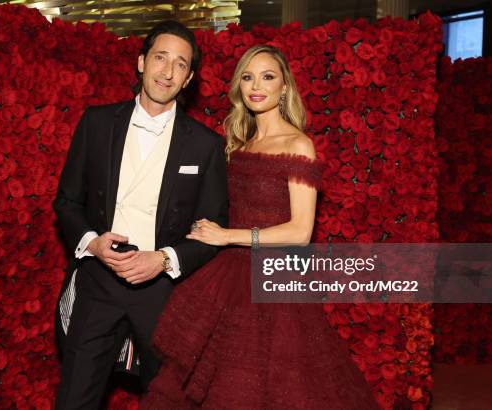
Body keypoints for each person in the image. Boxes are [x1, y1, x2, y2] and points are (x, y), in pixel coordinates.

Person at [140, 45, 379, 409]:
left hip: (273, 283)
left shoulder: (299, 144)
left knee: (265, 388)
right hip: (226, 281)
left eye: (268, 77)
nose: (257, 85)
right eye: (248, 77)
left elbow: (300, 232)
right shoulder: (238, 144)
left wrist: (227, 236)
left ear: (284, 87)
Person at [52, 20, 229, 409]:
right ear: (141, 62)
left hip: (164, 293)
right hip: (98, 283)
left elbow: (211, 230)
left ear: (189, 79)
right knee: (74, 399)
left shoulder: (206, 146)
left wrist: (164, 259)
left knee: (166, 401)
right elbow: (67, 201)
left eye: (180, 64)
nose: (167, 71)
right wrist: (92, 243)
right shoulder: (96, 123)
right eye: (160, 58)